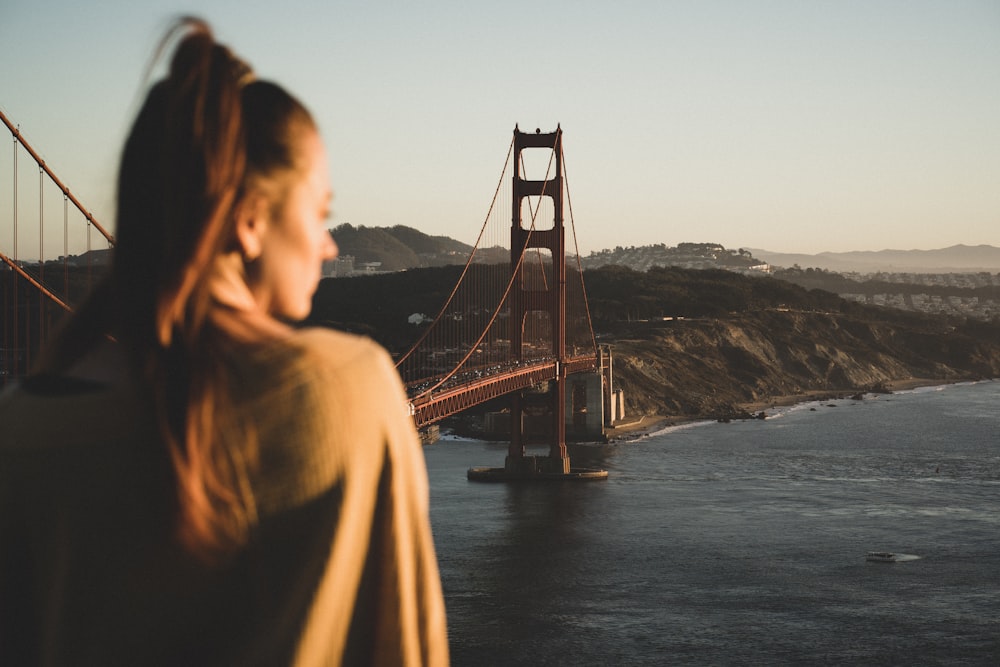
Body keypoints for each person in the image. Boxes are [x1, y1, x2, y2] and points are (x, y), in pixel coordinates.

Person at [0, 18, 448, 666]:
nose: (330, 245)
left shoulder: (16, 430)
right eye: (319, 213)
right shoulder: (357, 391)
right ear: (249, 220)